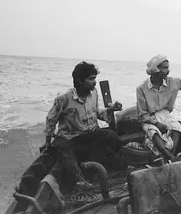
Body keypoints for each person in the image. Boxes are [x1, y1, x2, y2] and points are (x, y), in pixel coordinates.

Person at [42, 62, 126, 190]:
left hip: (91, 135)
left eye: (95, 78)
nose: (95, 82)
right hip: (72, 139)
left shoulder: (94, 93)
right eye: (91, 79)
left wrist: (111, 109)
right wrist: (47, 143)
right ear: (80, 80)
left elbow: (97, 113)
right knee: (69, 170)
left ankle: (99, 170)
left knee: (112, 137)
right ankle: (82, 176)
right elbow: (51, 120)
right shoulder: (64, 98)